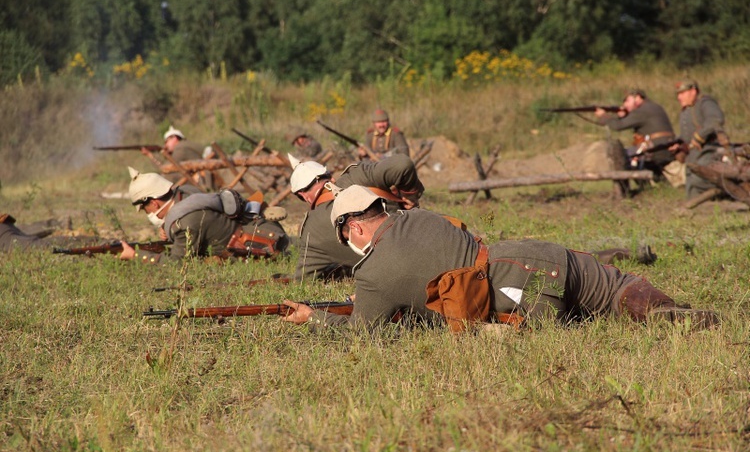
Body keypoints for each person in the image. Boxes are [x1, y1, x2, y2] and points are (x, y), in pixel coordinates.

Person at [281, 185, 718, 332]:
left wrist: (313, 317)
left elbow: (364, 332)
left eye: (345, 236)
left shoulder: (373, 274)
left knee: (584, 318)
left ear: (354, 228)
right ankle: (672, 312)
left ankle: (667, 319)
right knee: (617, 287)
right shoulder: (422, 217)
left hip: (516, 301)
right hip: (535, 257)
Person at [288, 152, 423, 281]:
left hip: (403, 271)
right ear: (330, 178)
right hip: (427, 236)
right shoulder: (357, 176)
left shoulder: (311, 231)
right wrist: (410, 195)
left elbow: (304, 279)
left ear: (304, 196)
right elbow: (402, 164)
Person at [120, 167, 288, 263]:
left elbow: (176, 263)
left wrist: (135, 255)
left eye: (145, 208)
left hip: (264, 247)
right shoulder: (187, 193)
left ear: (155, 203)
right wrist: (166, 227)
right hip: (263, 229)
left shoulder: (184, 223)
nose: (147, 213)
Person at [595, 89, 681, 185]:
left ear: (638, 97)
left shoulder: (642, 111)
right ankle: (661, 186)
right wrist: (623, 116)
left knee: (624, 158)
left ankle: (639, 189)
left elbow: (618, 126)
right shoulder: (652, 107)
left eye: (627, 101)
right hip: (663, 146)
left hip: (656, 149)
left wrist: (604, 116)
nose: (625, 105)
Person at [669, 80, 728, 199]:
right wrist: (679, 143)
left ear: (693, 91)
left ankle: (726, 195)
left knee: (699, 179)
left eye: (682, 93)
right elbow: (687, 135)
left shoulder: (705, 103)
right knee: (691, 180)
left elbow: (715, 120)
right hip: (694, 154)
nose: (679, 97)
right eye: (677, 94)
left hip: (710, 150)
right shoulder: (687, 109)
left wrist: (699, 136)